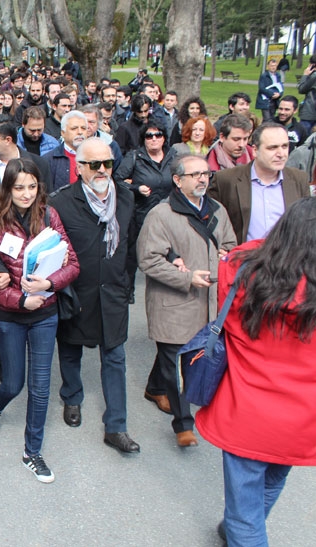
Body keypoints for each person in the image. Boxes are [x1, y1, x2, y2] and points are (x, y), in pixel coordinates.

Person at [196, 197, 316, 546]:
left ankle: (240, 527)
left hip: (247, 410)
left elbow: (226, 310)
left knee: (245, 514)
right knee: (274, 478)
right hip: (303, 417)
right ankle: (237, 525)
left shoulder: (244, 270)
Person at [0, 158, 79, 483]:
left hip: (46, 313)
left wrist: (48, 285)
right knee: (13, 382)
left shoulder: (49, 215)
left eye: (32, 186)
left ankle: (31, 452)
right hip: (9, 315)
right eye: (19, 187)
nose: (26, 193)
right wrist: (21, 298)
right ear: (8, 188)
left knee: (40, 386)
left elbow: (72, 263)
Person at [136, 155, 237, 446]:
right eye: (194, 175)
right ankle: (183, 425)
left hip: (209, 303)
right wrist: (186, 277)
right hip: (174, 302)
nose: (202, 179)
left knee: (172, 357)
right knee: (177, 362)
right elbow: (148, 259)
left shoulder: (217, 210)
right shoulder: (161, 215)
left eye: (206, 174)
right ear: (178, 181)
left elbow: (230, 245)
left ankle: (154, 388)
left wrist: (224, 256)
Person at [48, 138, 140, 454]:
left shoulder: (126, 197)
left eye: (108, 163)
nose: (102, 170)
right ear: (79, 167)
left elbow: (130, 245)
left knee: (115, 357)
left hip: (113, 293)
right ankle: (72, 396)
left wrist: (125, 284)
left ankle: (116, 426)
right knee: (71, 349)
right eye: (94, 164)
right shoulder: (60, 202)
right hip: (77, 292)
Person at [208, 123, 310, 244]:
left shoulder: (299, 179)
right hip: (243, 259)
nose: (281, 154)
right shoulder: (226, 180)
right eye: (272, 148)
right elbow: (210, 222)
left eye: (284, 146)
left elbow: (306, 224)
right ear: (255, 150)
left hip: (287, 259)